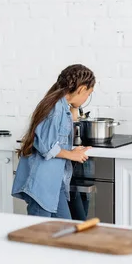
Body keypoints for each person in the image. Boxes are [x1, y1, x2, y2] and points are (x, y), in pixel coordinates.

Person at [12, 64, 95, 219]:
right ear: (82, 89)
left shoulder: (62, 106)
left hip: (54, 185)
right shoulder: (55, 109)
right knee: (40, 236)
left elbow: (66, 129)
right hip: (42, 186)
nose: (87, 98)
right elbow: (47, 147)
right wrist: (71, 155)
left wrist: (75, 106)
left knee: (65, 230)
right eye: (88, 94)